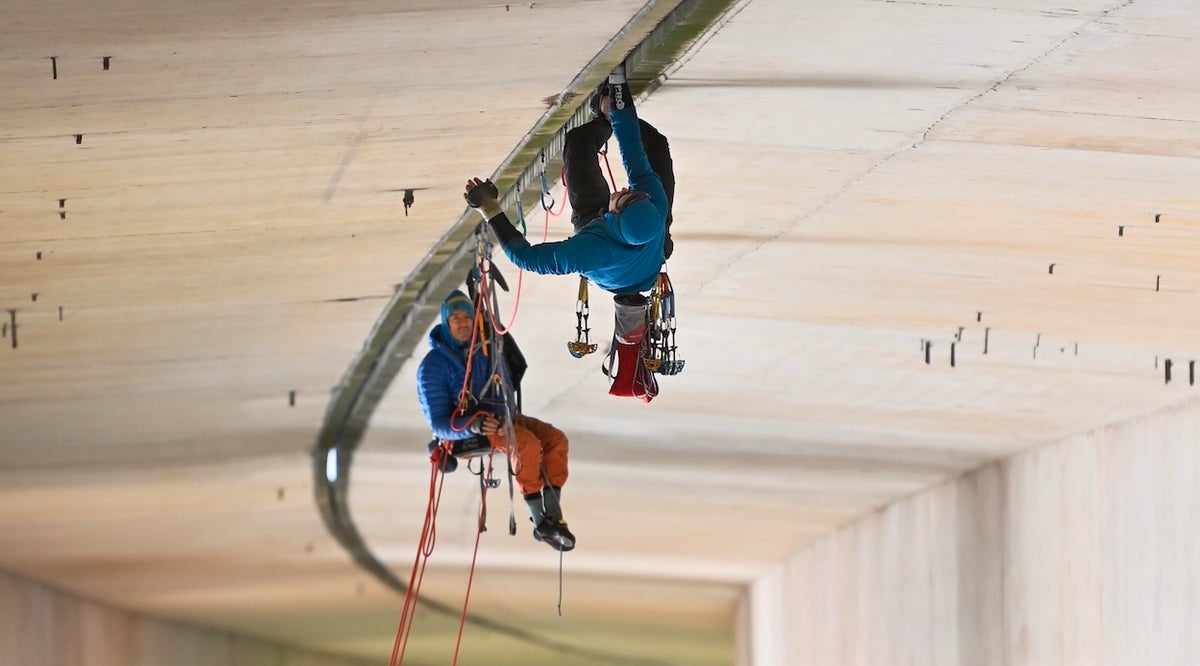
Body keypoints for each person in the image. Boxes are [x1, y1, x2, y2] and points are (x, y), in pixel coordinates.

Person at [464, 63, 669, 297]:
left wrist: (489, 208)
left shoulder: (586, 252)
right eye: (631, 192)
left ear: (614, 215)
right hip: (650, 245)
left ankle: (605, 113)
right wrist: (617, 83)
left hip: (607, 253)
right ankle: (606, 111)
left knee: (578, 143)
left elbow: (525, 258)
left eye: (622, 197)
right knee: (657, 146)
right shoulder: (656, 205)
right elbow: (632, 149)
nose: (622, 188)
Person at [416, 289, 575, 551]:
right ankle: (539, 520)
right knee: (527, 445)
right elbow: (439, 425)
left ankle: (554, 516)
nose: (463, 323)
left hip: (505, 418)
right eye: (455, 318)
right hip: (470, 431)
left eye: (467, 317)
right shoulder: (432, 367)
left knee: (556, 440)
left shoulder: (487, 347)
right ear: (445, 322)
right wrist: (474, 424)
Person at [564, 81, 676, 260]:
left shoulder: (592, 251)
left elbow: (531, 257)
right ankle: (613, 114)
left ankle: (609, 114)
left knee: (579, 144)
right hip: (645, 231)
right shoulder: (655, 240)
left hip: (596, 230)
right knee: (656, 147)